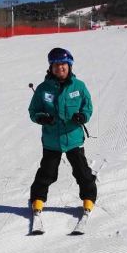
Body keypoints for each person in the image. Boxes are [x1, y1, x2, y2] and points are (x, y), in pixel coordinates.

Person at [28, 47, 97, 213]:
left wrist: (83, 116)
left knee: (82, 172)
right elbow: (33, 111)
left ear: (70, 66)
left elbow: (87, 107)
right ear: (51, 68)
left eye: (63, 64)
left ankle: (88, 198)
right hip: (52, 140)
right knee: (47, 173)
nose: (60, 68)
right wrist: (41, 117)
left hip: (73, 139)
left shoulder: (79, 87)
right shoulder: (43, 89)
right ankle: (37, 199)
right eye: (56, 65)